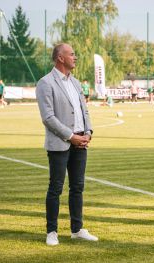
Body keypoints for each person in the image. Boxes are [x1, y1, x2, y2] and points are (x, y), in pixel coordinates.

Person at [36, 43, 98, 246]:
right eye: (72, 54)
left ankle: (76, 229)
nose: (75, 57)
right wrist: (70, 136)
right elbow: (48, 117)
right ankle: (51, 231)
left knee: (78, 187)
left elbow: (84, 110)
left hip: (81, 141)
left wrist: (88, 131)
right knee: (55, 187)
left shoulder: (77, 83)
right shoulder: (45, 83)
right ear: (60, 58)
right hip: (61, 143)